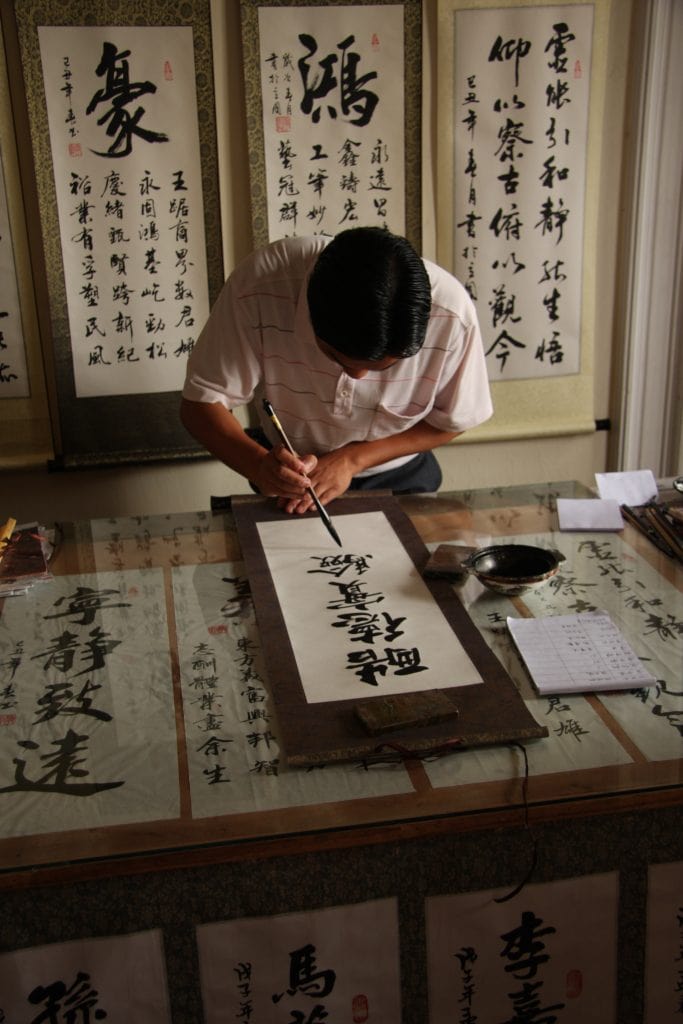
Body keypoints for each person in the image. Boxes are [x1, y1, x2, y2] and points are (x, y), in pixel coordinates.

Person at [180, 226, 492, 514]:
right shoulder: (263, 285)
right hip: (292, 479)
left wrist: (352, 459)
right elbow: (201, 404)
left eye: (383, 367)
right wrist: (259, 466)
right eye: (337, 358)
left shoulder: (452, 315)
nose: (358, 377)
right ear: (309, 310)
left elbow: (455, 418)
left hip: (399, 473)